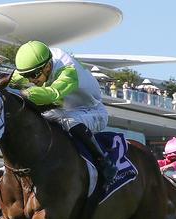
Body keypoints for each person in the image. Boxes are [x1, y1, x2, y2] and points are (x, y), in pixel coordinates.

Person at [10, 41, 117, 185]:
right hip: (65, 110)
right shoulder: (38, 64)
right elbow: (13, 79)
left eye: (33, 75)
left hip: (93, 111)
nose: (30, 80)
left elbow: (52, 94)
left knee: (69, 121)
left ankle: (104, 162)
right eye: (27, 75)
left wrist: (22, 92)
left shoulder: (67, 69)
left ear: (47, 67)